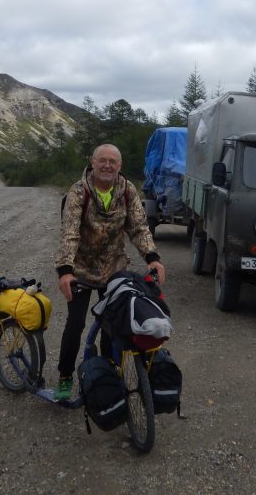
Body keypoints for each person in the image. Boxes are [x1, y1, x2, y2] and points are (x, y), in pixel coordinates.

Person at [53, 143, 166, 401]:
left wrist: (152, 258)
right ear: (92, 162)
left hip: (114, 268)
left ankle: (109, 374)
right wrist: (65, 271)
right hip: (81, 270)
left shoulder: (127, 190)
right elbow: (69, 233)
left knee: (112, 325)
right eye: (102, 160)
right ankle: (65, 375)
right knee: (76, 324)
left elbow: (139, 228)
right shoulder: (78, 192)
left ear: (119, 165)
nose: (107, 165)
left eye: (112, 161)